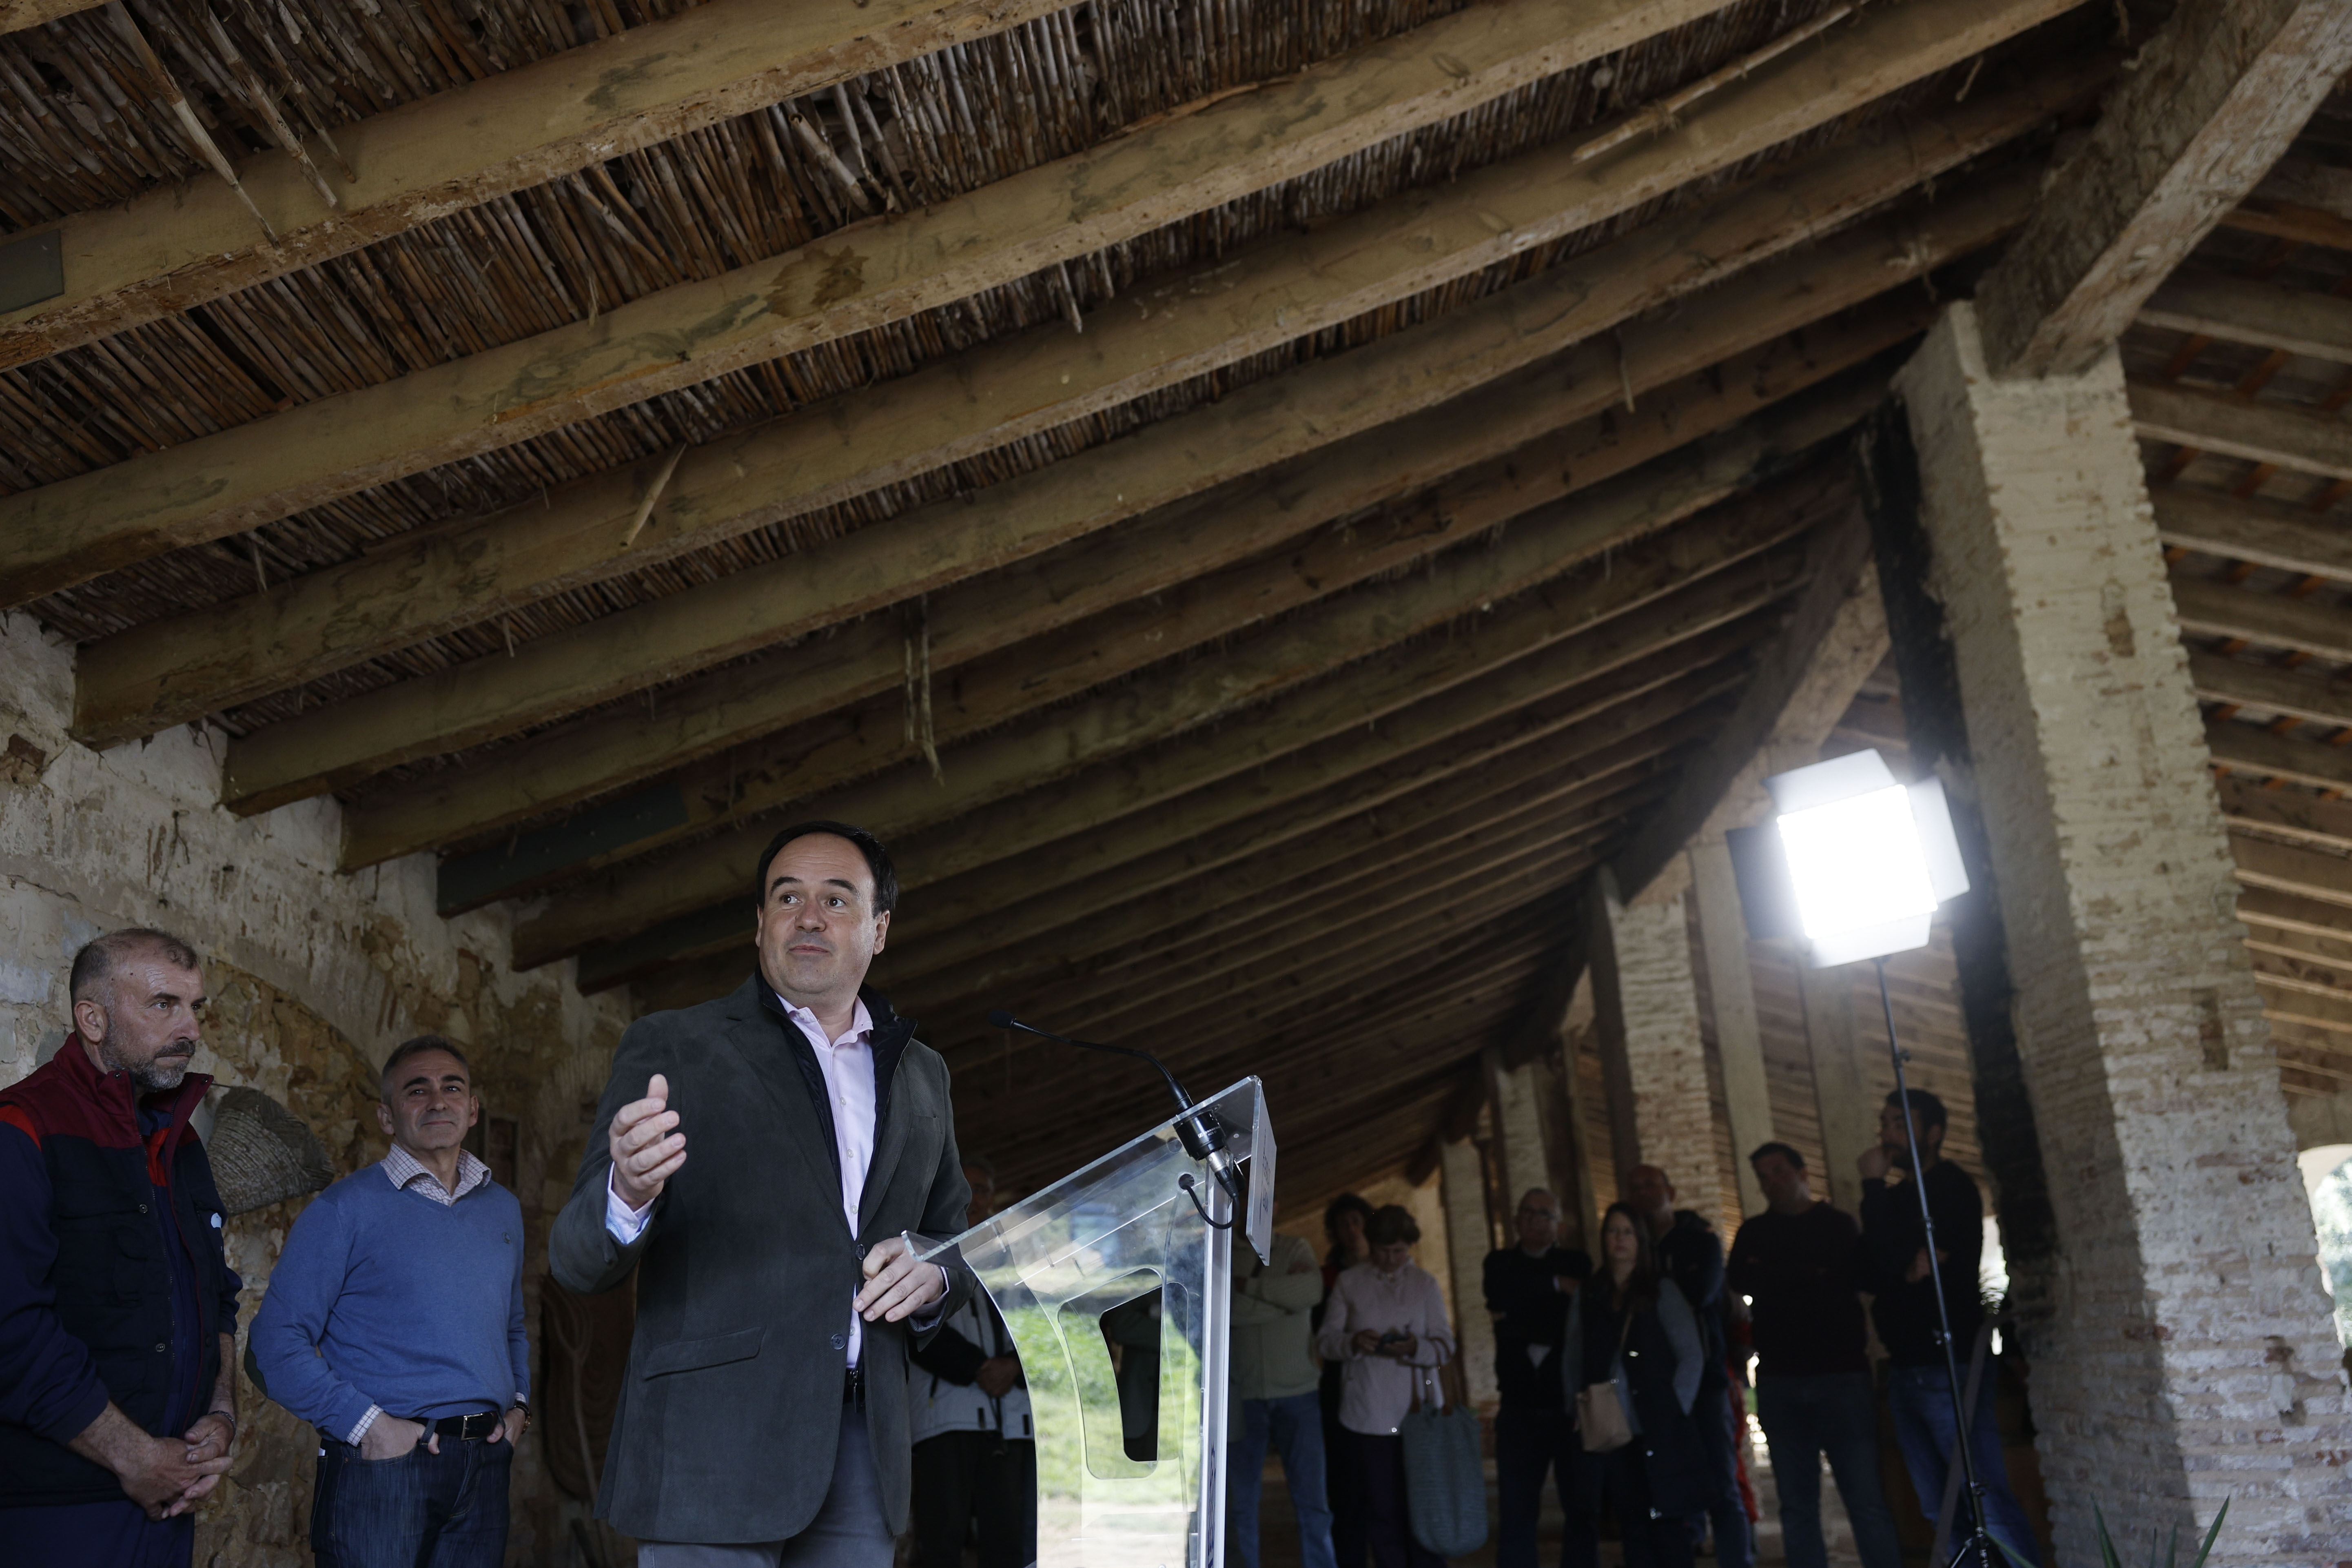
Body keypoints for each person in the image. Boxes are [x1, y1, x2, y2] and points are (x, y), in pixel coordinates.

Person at [550, 820, 976, 1566]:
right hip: (707, 1449)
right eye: (788, 897)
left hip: (863, 1449)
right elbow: (576, 1260)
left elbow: (951, 1236)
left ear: (879, 930)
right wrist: (628, 1188)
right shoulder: (675, 1044)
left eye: (836, 899)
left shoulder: (923, 1073)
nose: (809, 916)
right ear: (759, 924)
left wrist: (935, 1273)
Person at [0, 929, 242, 1568]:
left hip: (169, 1497)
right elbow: (10, 1328)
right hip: (57, 1511)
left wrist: (221, 1410)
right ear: (93, 1019)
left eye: (194, 1006)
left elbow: (217, 1295)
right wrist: (134, 1456)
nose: (191, 1028)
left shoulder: (180, 1142)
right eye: (164, 1004)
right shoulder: (21, 1126)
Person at [250, 1036, 530, 1567]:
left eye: (452, 1087)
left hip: (485, 1465)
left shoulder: (503, 1209)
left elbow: (511, 1326)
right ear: (386, 1115)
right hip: (383, 1465)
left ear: (473, 1108)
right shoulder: (344, 1209)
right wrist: (369, 1426)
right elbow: (270, 1346)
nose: (438, 1101)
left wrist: (519, 1408)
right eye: (416, 1090)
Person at [1858, 1089, 2039, 1567]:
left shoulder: (1951, 1188)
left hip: (1948, 1364)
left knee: (1983, 1497)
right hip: (1904, 1367)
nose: (1887, 1134)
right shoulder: (1892, 1198)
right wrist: (1902, 1266)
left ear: (1933, 1133)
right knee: (1938, 1509)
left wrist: (1873, 1192)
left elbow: (1923, 1266)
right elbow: (1867, 1268)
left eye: (1899, 1123)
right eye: (1884, 1123)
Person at [1725, 1143, 1900, 1568]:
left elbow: (1848, 1279)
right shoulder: (1753, 1232)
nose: (1771, 1182)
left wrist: (1778, 1276)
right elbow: (1742, 1281)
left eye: (1778, 1171)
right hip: (1780, 1379)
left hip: (1840, 1376)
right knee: (1796, 1504)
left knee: (1864, 1498)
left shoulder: (1837, 1225)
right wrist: (1807, 1274)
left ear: (1802, 1173)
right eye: (1763, 1176)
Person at [1558, 1202, 1707, 1568]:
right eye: (1613, 1231)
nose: (1619, 1239)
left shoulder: (1661, 1290)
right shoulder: (1589, 1293)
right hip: (1612, 1426)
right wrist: (1576, 1408)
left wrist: (1675, 1407)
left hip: (1657, 1424)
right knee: (1632, 1523)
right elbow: (1573, 1357)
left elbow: (1690, 1354)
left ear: (1640, 1239)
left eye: (1627, 1231)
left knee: (1668, 1522)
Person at [907, 1157, 1033, 1568]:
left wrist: (1013, 1366)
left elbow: (1037, 1321)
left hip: (1010, 1420)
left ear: (993, 1197)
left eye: (981, 1190)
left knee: (1006, 1539)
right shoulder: (922, 1244)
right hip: (944, 1416)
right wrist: (978, 1367)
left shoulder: (1014, 1253)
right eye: (965, 1189)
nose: (973, 1199)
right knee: (941, 1538)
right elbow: (913, 1325)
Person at [1315, 1205, 1455, 1568]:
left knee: (1425, 1504)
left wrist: (1414, 1348)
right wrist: (1354, 1341)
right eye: (1383, 1250)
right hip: (1368, 1411)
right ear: (1370, 1244)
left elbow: (1445, 1345)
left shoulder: (1424, 1284)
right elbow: (1325, 1341)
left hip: (1418, 1412)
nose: (1391, 1259)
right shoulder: (1350, 1282)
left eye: (1399, 1251)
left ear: (1409, 1247)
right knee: (1382, 1508)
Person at [1624, 1165, 1749, 1568]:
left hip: (1706, 1379)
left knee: (1721, 1482)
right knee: (1673, 1484)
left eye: (1651, 1186)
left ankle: (1737, 1561)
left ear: (1671, 1192)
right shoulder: (1634, 1250)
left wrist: (1658, 1286)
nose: (1643, 1194)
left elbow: (1700, 1293)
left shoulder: (1701, 1243)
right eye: (1635, 1188)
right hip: (1657, 1385)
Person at [1483, 1188, 1592, 1568]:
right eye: (1527, 1212)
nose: (1534, 1219)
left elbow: (1579, 1315)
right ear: (1515, 1220)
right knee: (1516, 1509)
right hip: (1519, 1403)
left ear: (1558, 1224)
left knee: (1580, 1506)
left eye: (1544, 1213)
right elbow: (1499, 1296)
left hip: (1567, 1404)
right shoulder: (1499, 1262)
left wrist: (1516, 1314)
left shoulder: (1577, 1262)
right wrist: (1556, 1286)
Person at [1227, 1203, 1335, 1568]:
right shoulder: (1223, 1254)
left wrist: (1247, 1286)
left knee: (1313, 1502)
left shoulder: (1294, 1248)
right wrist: (1283, 1302)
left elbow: (1311, 1292)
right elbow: (1224, 1311)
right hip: (1243, 1395)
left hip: (1298, 1392)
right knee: (1242, 1503)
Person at [1318, 1193, 1374, 1568]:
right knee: (1345, 1480)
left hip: (1383, 1379)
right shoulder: (1327, 1278)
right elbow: (1321, 1334)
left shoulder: (1387, 1269)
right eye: (1343, 1224)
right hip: (1339, 1383)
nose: (1351, 1229)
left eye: (1356, 1221)